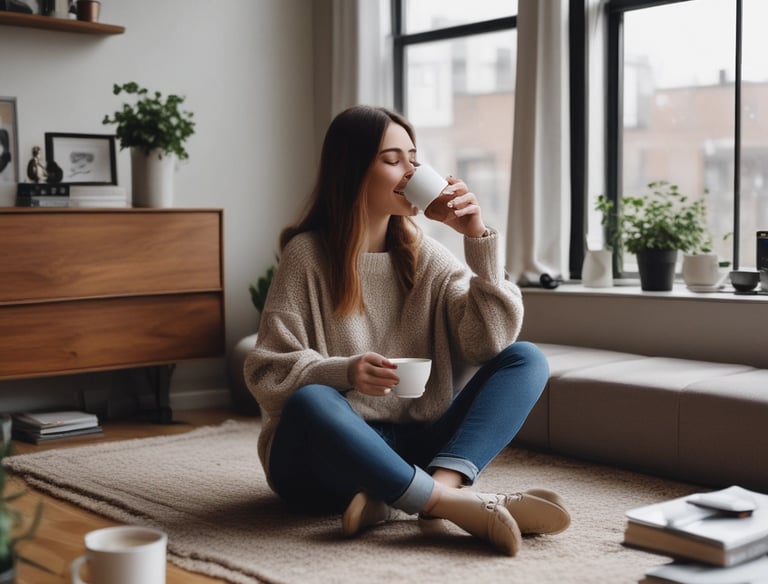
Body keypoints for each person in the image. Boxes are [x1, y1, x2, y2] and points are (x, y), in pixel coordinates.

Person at [244, 105, 570, 556]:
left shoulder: (425, 256)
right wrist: (344, 372)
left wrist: (476, 237)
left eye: (413, 159)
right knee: (312, 401)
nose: (411, 171)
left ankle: (430, 493)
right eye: (392, 159)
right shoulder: (307, 256)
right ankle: (448, 503)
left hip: (406, 450)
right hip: (319, 463)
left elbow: (489, 340)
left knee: (526, 358)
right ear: (353, 169)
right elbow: (267, 374)